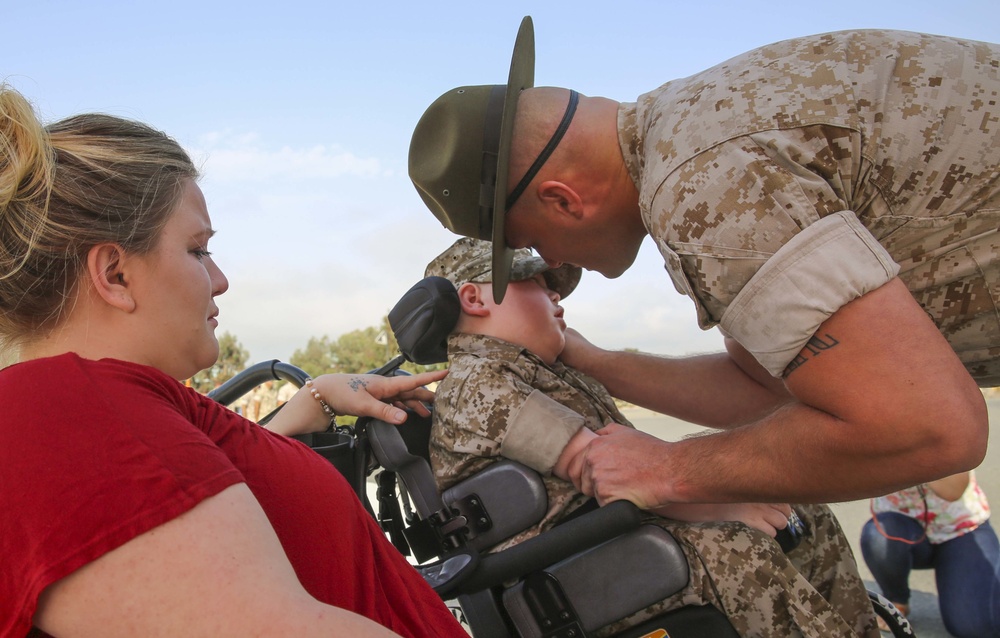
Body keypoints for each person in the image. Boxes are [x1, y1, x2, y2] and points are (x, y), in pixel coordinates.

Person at [407, 19, 999, 509]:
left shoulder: (701, 190)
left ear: (562, 199)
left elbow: (926, 428)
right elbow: (767, 388)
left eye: (535, 241)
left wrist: (671, 470)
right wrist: (591, 359)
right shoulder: (691, 123)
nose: (556, 262)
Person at [0, 86, 467, 637]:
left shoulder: (109, 410)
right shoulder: (70, 410)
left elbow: (206, 475)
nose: (220, 280)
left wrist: (318, 396)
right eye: (197, 250)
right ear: (115, 275)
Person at [424, 236, 879, 637]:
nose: (556, 294)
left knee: (804, 514)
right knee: (738, 546)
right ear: (474, 298)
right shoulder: (479, 381)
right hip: (589, 566)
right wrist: (721, 504)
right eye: (537, 283)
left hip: (614, 540)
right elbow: (598, 465)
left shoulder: (531, 372)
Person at [861, 470, 1000, 636]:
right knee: (878, 538)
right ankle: (896, 598)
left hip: (961, 526)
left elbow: (952, 491)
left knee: (976, 628)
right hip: (898, 524)